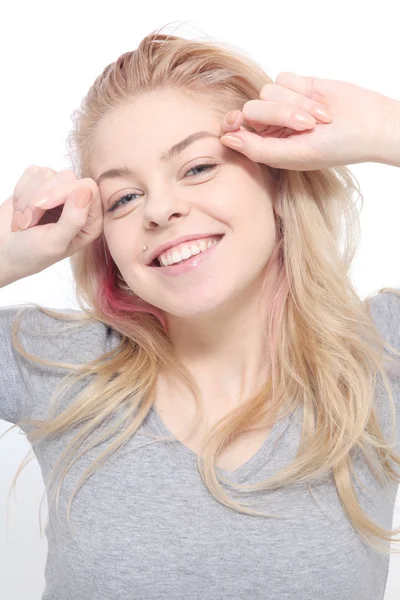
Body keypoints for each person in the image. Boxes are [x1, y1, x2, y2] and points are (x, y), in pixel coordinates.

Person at [1, 24, 400, 600]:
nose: (160, 209)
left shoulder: (376, 360)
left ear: (279, 181)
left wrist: (389, 129)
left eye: (197, 167)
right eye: (124, 198)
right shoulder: (57, 365)